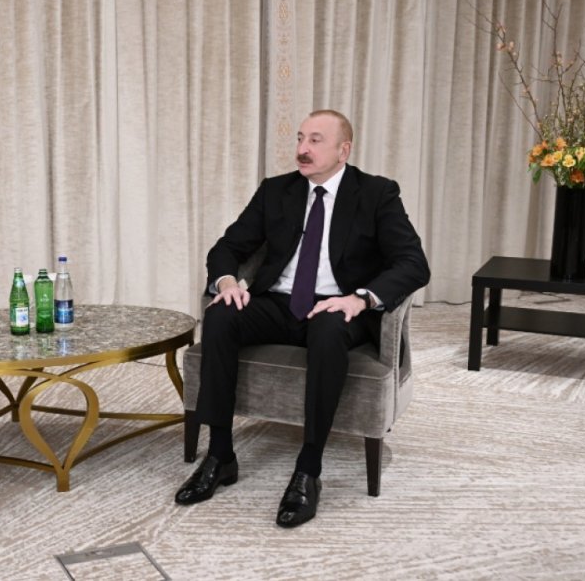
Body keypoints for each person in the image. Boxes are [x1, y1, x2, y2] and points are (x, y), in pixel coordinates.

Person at [174, 109, 430, 528]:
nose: (302, 149)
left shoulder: (376, 193)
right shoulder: (277, 190)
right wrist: (227, 282)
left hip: (337, 306)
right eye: (299, 139)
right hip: (279, 303)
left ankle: (308, 469)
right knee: (220, 315)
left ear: (343, 150)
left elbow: (413, 263)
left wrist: (360, 299)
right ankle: (220, 456)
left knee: (328, 330)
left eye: (314, 140)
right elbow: (228, 247)